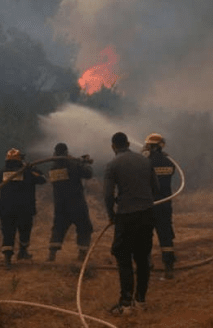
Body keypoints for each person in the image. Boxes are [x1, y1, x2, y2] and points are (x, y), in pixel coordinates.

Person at [104, 132, 158, 315]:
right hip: (147, 214)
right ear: (128, 143)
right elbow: (156, 188)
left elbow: (108, 195)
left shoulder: (112, 165)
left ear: (113, 147)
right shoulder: (145, 161)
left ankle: (126, 304)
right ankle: (140, 301)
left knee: (124, 258)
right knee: (143, 258)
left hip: (126, 217)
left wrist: (111, 215)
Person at [0, 148, 47, 269]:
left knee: (7, 233)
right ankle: (22, 252)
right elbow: (43, 179)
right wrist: (31, 168)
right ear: (20, 160)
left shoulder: (3, 173)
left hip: (6, 210)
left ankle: (7, 260)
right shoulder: (27, 172)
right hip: (24, 210)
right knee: (25, 231)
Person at [47, 142, 95, 262]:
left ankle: (51, 256)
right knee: (84, 227)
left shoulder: (53, 167)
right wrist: (83, 163)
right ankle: (82, 255)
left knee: (58, 228)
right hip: (76, 203)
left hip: (60, 205)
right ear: (66, 152)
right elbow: (88, 174)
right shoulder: (73, 164)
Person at [143, 133, 177, 279]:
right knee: (166, 237)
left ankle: (146, 265)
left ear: (150, 146)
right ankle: (168, 268)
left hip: (148, 205)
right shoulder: (169, 162)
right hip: (165, 205)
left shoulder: (145, 162)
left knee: (145, 235)